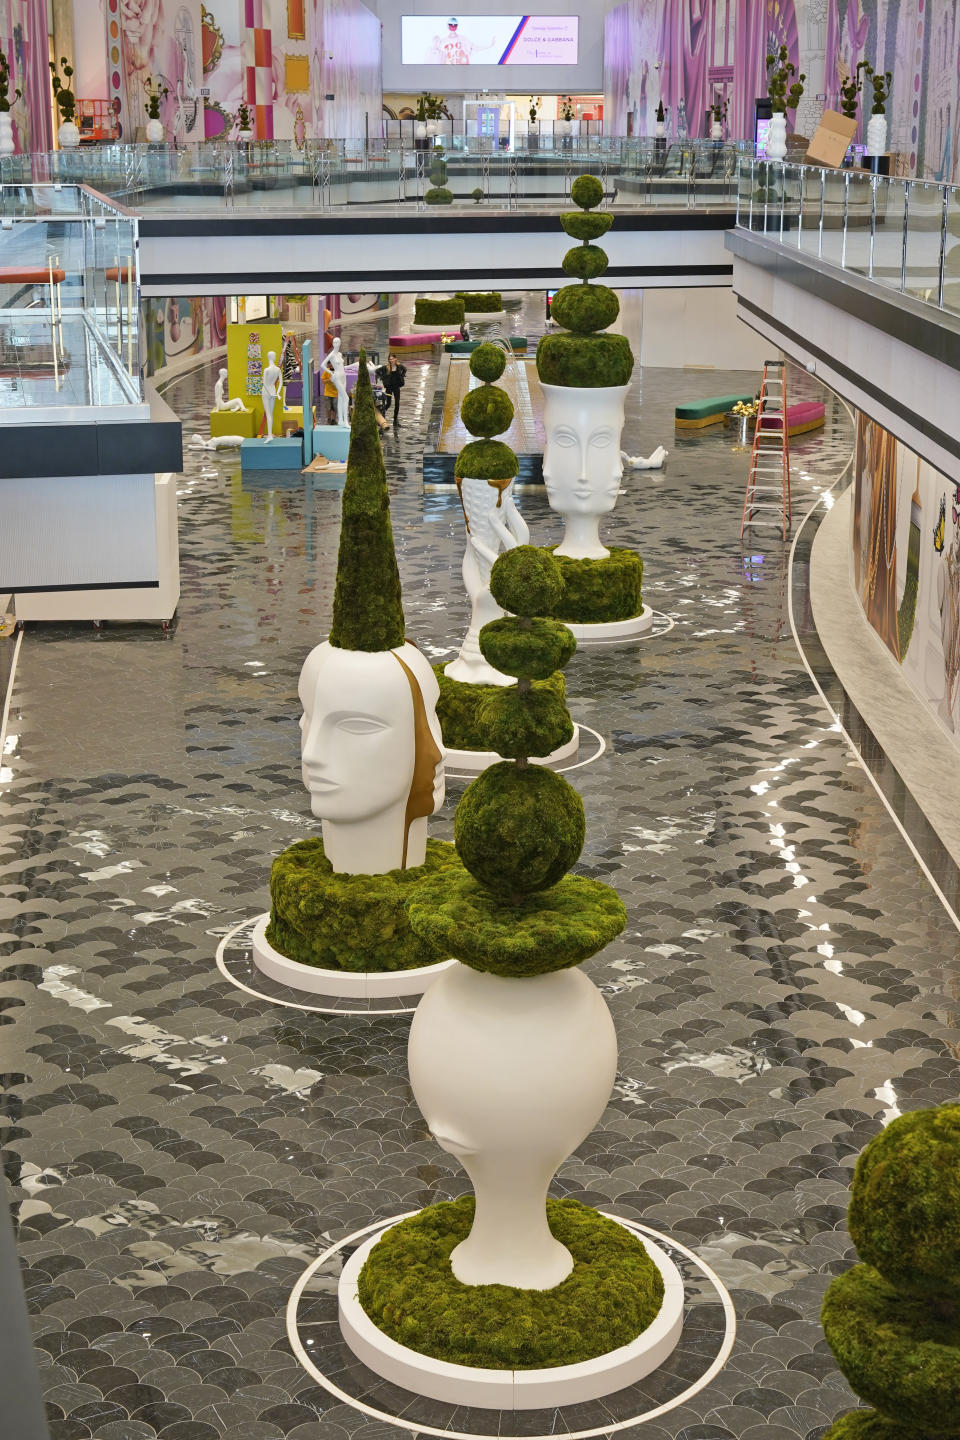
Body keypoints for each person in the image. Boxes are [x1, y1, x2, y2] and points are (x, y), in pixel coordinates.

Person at [377, 355, 406, 427]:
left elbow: (405, 369)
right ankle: (381, 416)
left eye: (392, 359)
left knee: (397, 403)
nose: (391, 360)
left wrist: (402, 376)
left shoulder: (399, 367)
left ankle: (395, 420)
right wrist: (383, 377)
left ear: (395, 359)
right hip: (389, 387)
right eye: (390, 359)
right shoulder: (386, 367)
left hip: (396, 387)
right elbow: (377, 371)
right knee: (388, 403)